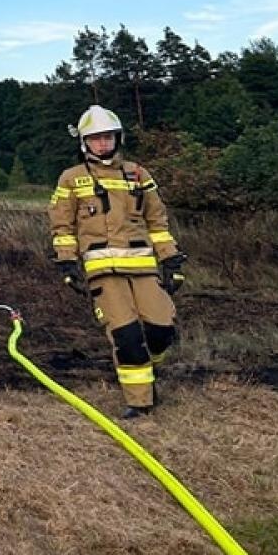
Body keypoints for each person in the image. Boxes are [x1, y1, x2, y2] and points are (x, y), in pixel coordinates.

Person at [49, 105, 188, 419]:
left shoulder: (138, 175)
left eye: (107, 137)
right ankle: (140, 402)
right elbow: (62, 227)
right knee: (126, 337)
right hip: (103, 273)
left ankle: (149, 368)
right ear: (85, 143)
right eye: (95, 138)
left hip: (143, 268)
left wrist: (171, 262)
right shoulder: (72, 179)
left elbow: (158, 223)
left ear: (117, 138)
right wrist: (67, 264)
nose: (102, 144)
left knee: (161, 330)